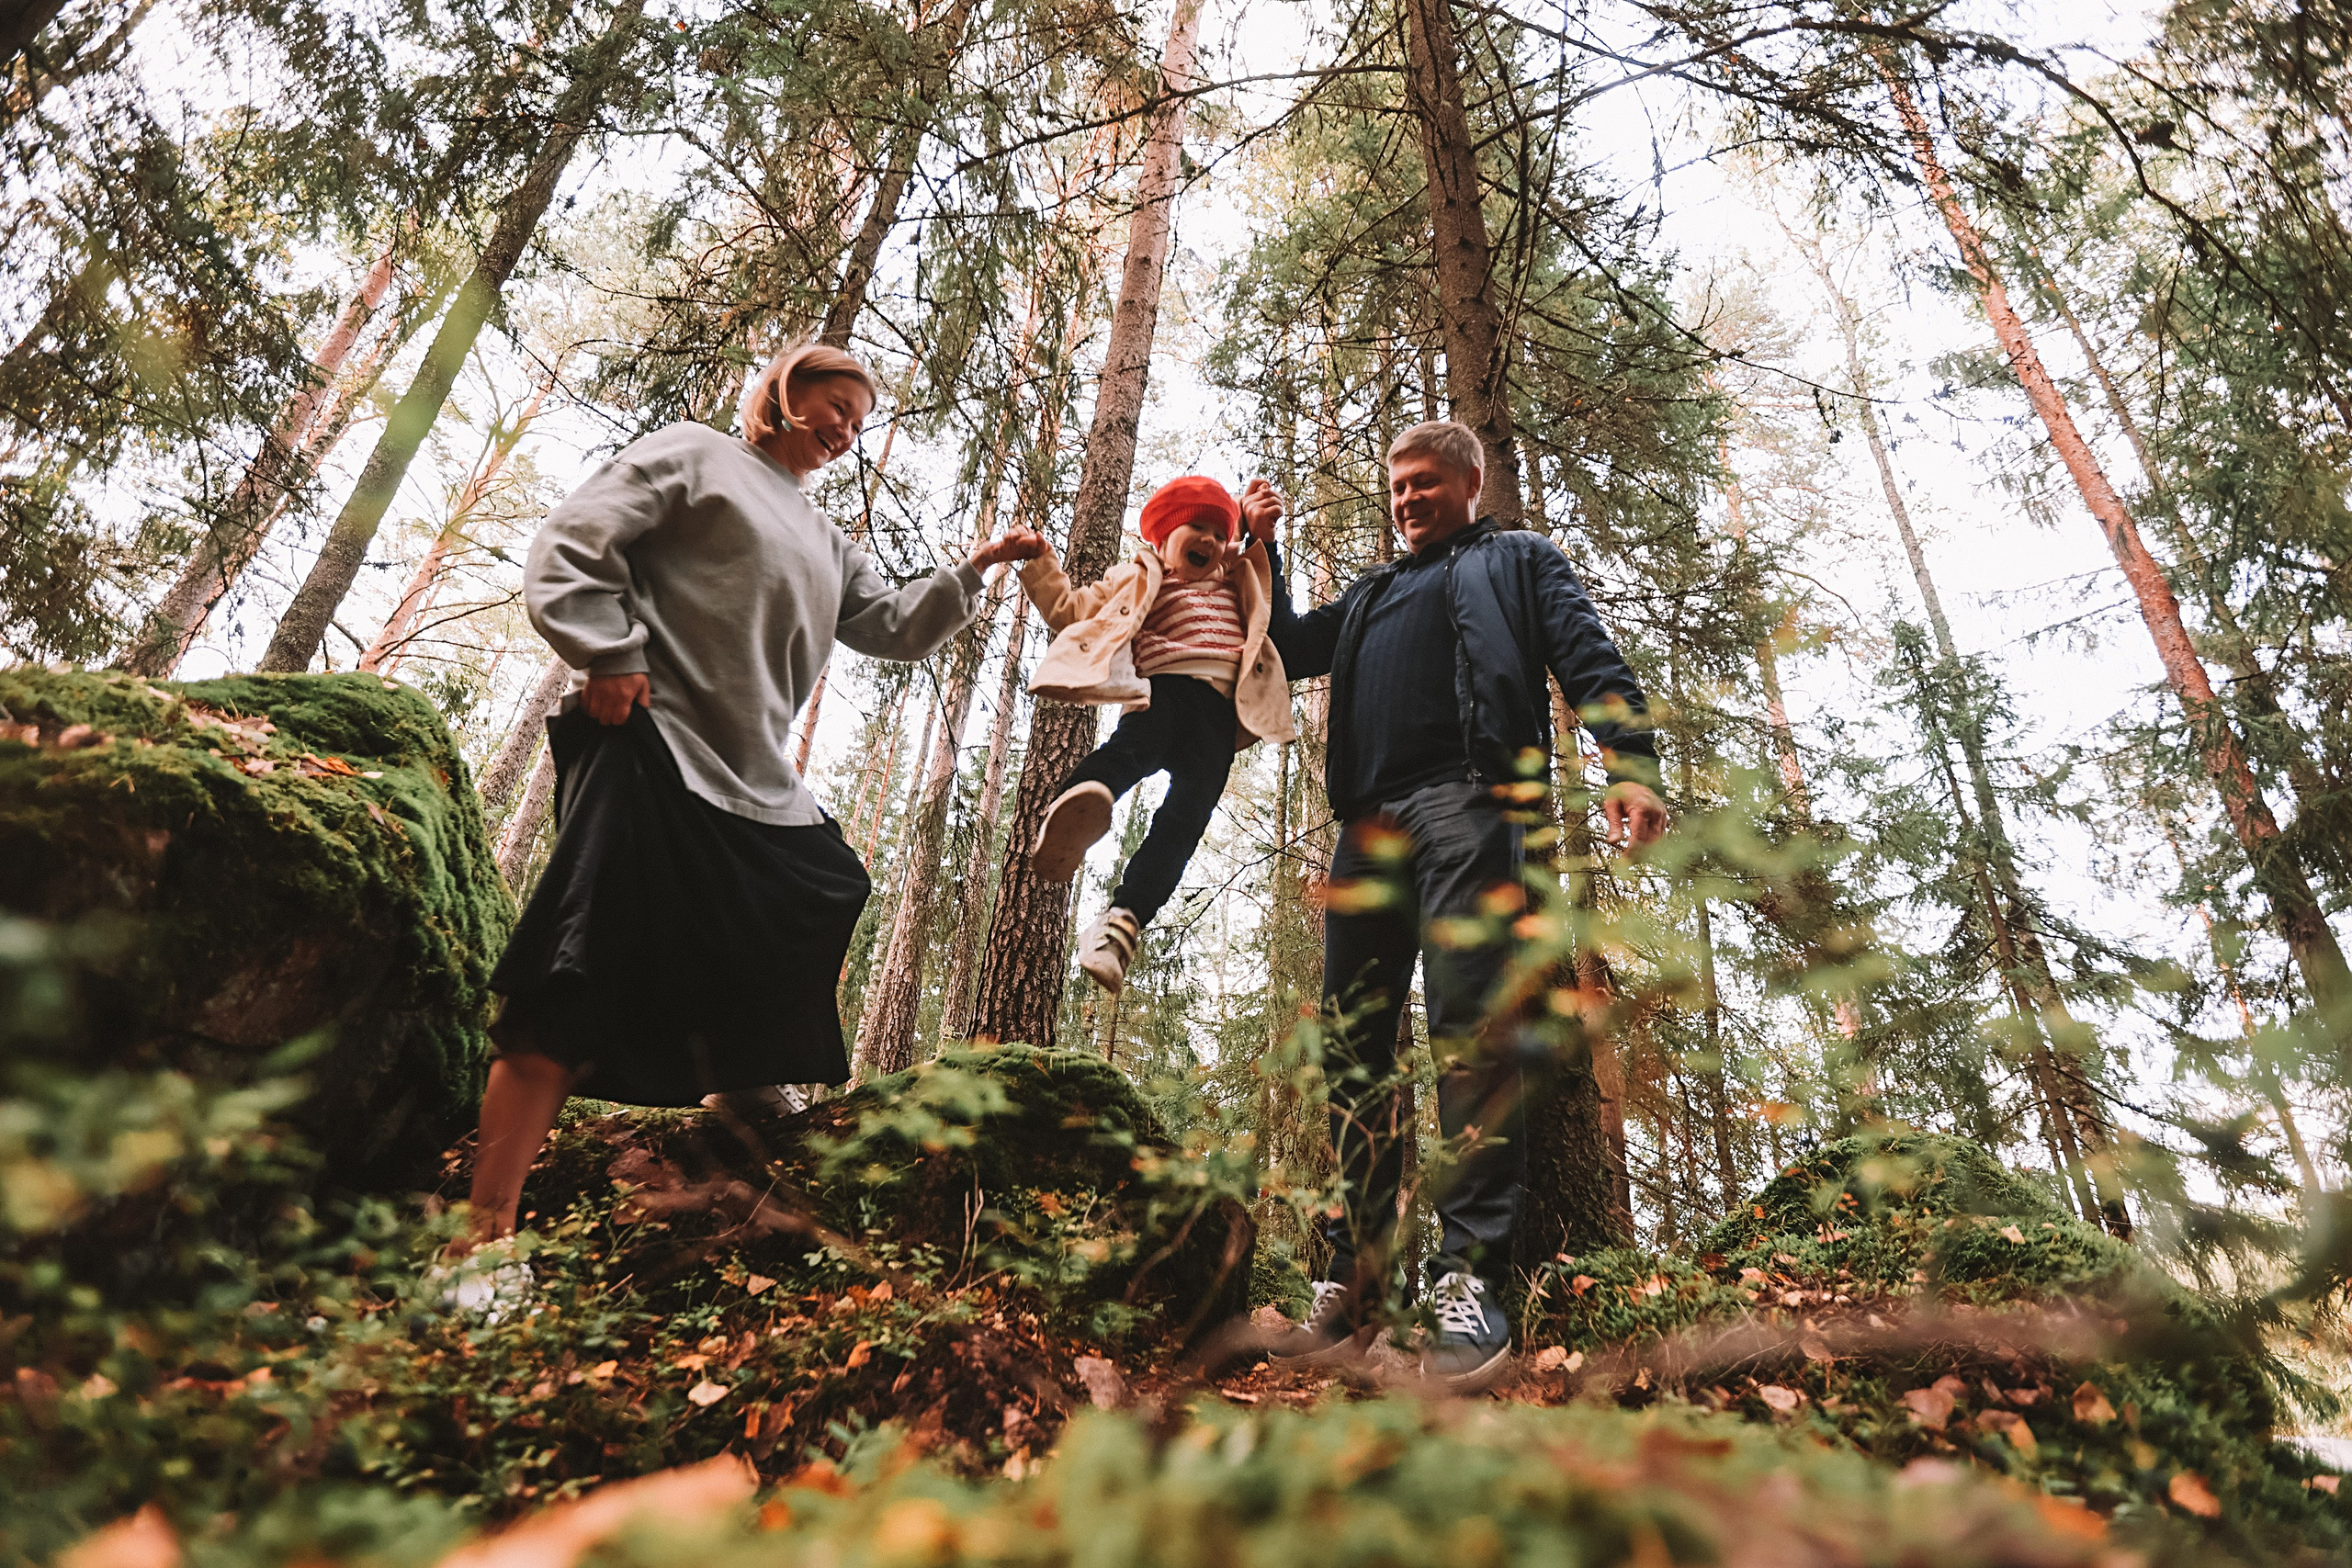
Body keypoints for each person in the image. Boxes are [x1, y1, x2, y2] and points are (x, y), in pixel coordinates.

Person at [462, 343, 1044, 1245]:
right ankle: (482, 1232)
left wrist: (977, 569)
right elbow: (575, 539)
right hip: (651, 734)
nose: (846, 430)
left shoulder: (827, 538)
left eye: (860, 421)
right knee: (570, 980)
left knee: (824, 879)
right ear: (783, 392)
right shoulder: (695, 454)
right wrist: (606, 651)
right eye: (835, 405)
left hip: (752, 772)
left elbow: (890, 626)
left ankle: (741, 1078)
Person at [1255, 420, 1669, 1393]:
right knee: (1354, 1049)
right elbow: (1287, 644)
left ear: (1469, 481)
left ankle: (1467, 1283)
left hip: (1470, 807)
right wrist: (1264, 550)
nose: (1406, 498)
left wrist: (1631, 761)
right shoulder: (1369, 594)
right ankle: (1355, 1282)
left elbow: (1586, 651)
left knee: (1472, 1038)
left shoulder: (1515, 559)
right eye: (1397, 485)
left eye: (1424, 482)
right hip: (1365, 826)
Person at [1020, 476, 1295, 992]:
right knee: (1130, 752)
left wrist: (1254, 528)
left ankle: (1123, 922)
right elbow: (1069, 611)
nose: (1210, 541)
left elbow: (1257, 568)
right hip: (1162, 695)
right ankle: (1078, 806)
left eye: (1219, 534)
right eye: (1197, 528)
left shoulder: (1236, 579)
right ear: (1163, 538)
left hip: (1218, 720)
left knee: (1184, 823)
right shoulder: (1137, 577)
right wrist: (1038, 561)